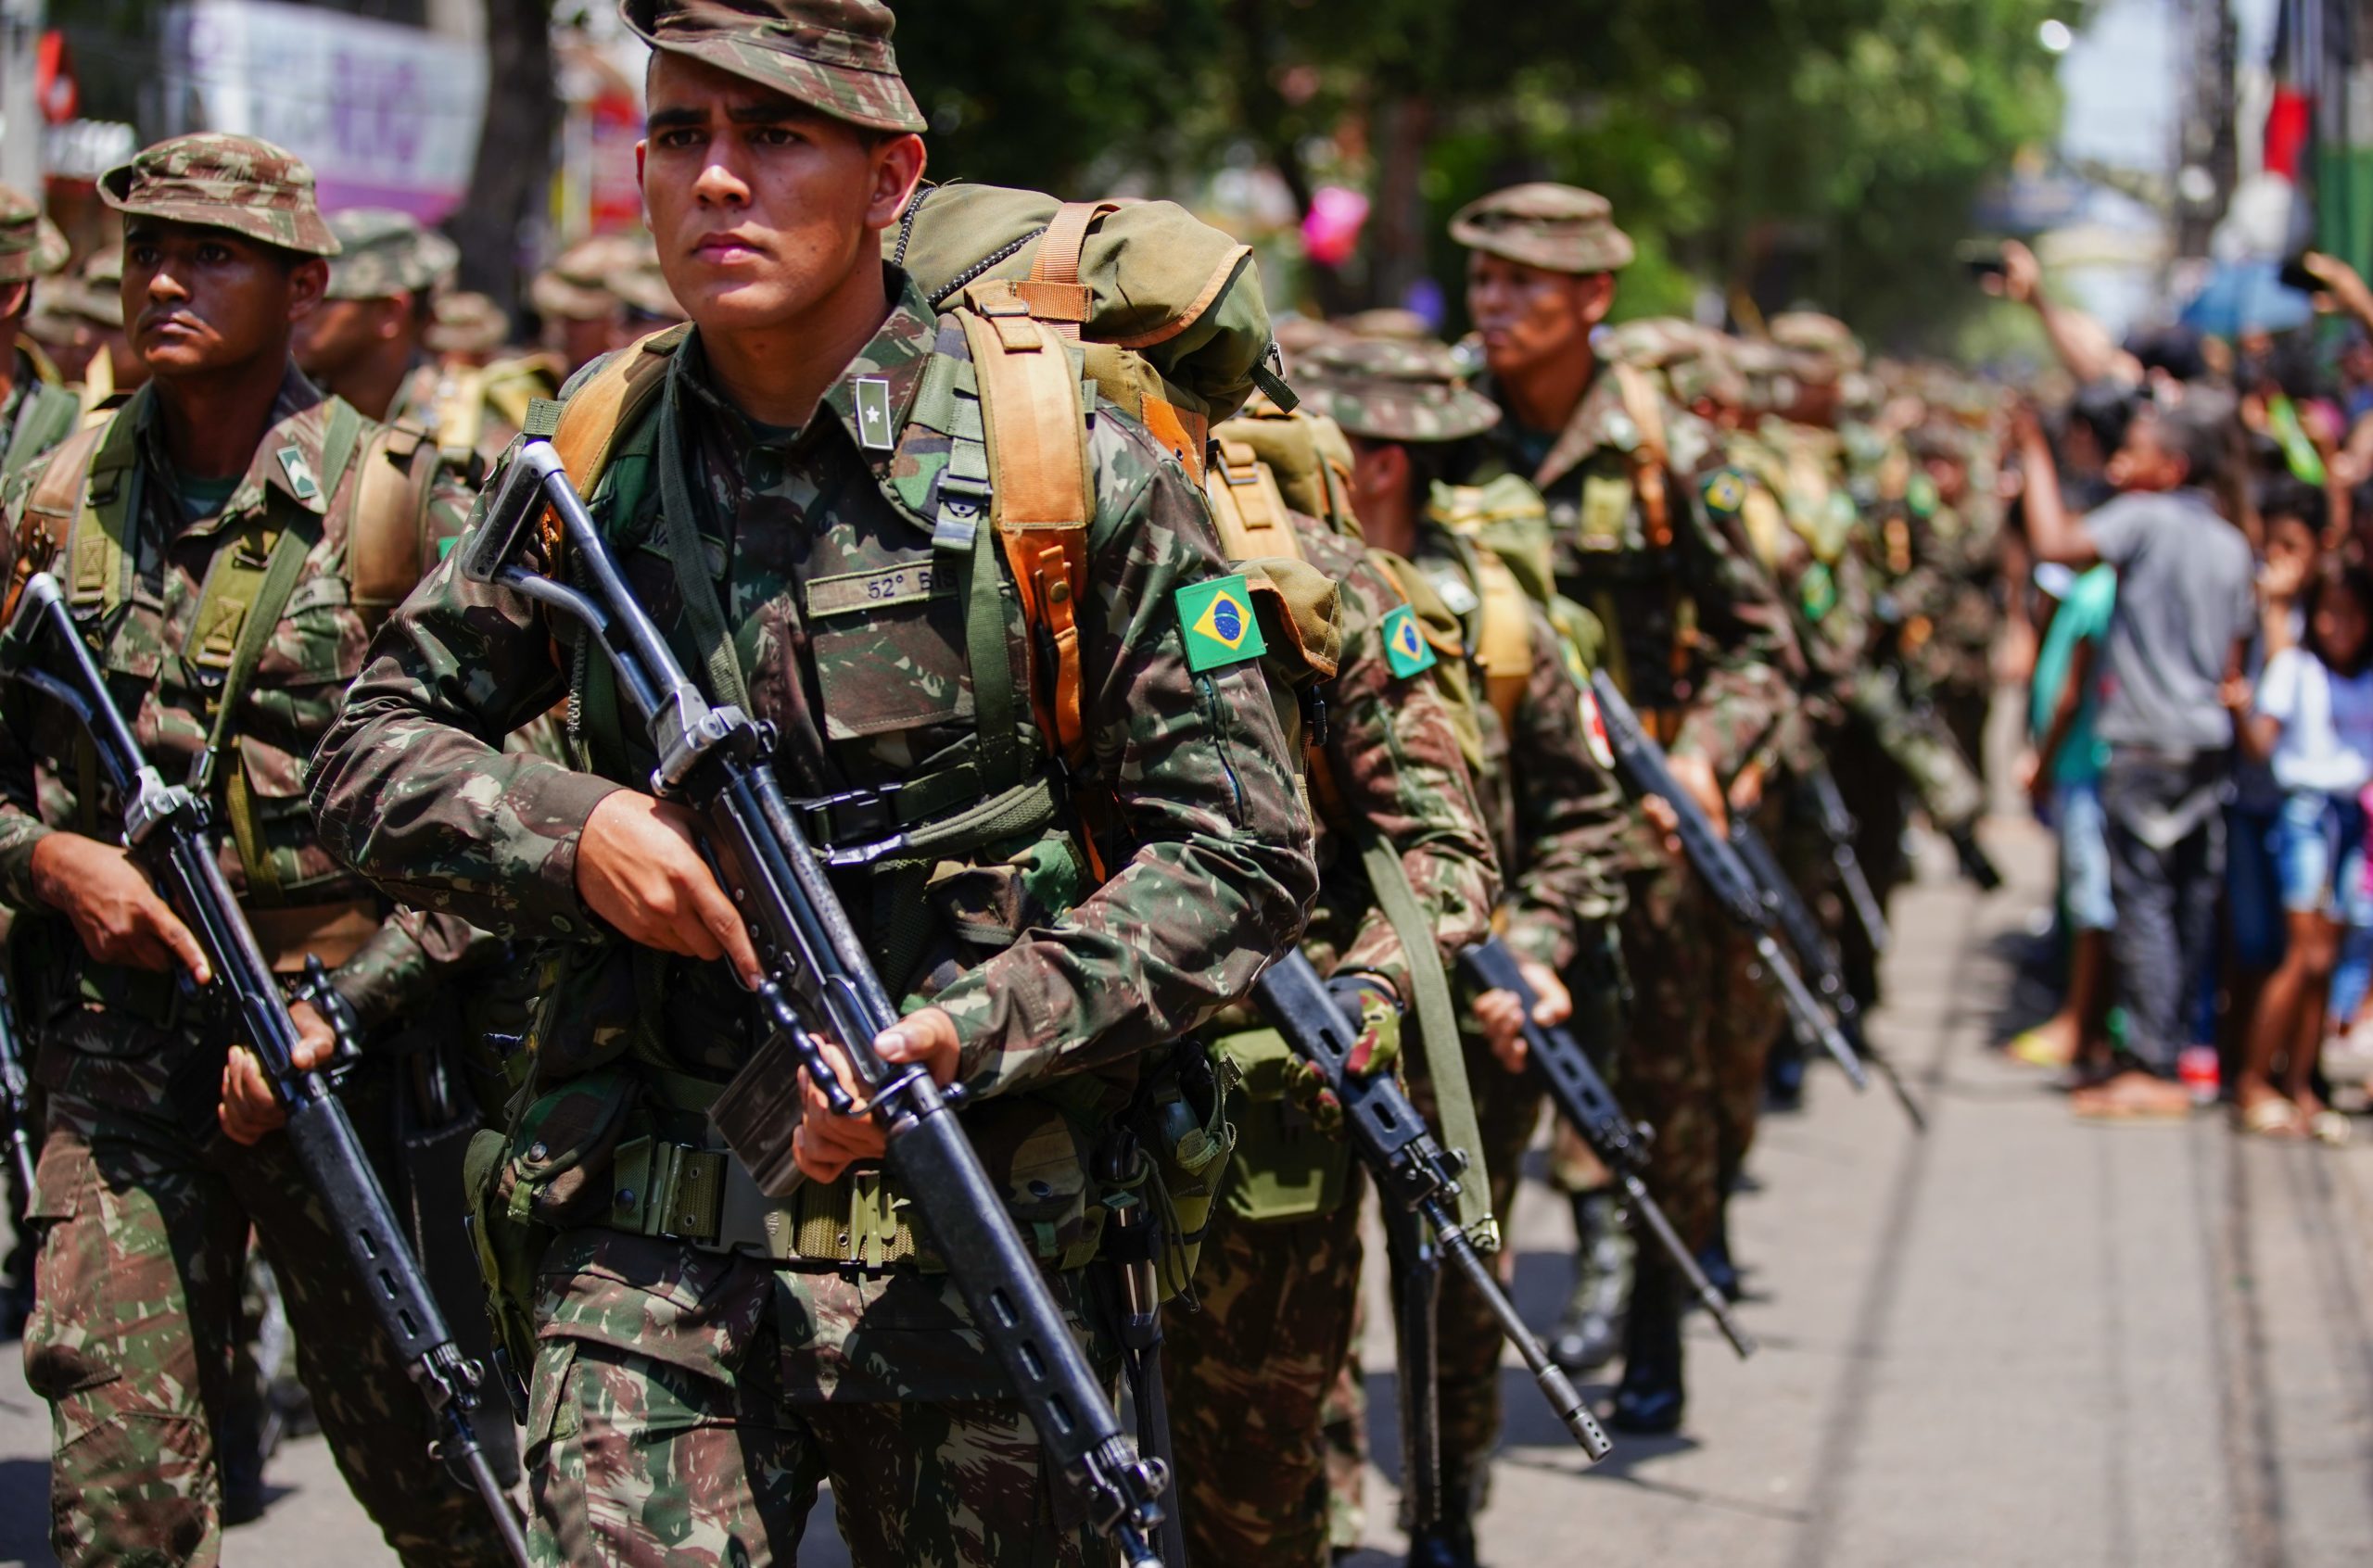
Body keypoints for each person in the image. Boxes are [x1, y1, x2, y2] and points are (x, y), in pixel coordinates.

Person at [307, 3, 1318, 1562]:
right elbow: (368, 748)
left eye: (775, 137)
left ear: (890, 175)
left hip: (973, 1229)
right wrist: (579, 833)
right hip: (652, 1232)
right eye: (680, 135)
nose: (718, 180)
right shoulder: (593, 457)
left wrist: (975, 1027)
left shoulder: (1069, 465)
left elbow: (1245, 848)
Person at [0, 132, 509, 1567]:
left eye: (210, 253)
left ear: (304, 287)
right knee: (117, 1490)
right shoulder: (48, 504)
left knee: (433, 1466)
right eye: (145, 252)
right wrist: (47, 861)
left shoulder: (401, 504)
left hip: (341, 1058)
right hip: (113, 1051)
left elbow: (513, 822)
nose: (163, 280)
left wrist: (347, 1005)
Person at [1449, 182, 1801, 1434]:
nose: (1495, 304)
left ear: (1594, 297)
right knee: (1479, 1103)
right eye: (1482, 279)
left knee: (1658, 1093)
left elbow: (1767, 647)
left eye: (1523, 283)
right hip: (1488, 825)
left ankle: (1655, 1326)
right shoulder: (1441, 424)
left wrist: (1704, 758)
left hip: (1645, 825)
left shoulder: (1668, 451)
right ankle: (1466, 1416)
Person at [1297, 334, 1630, 1564]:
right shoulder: (1266, 586)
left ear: (1378, 462)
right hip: (1312, 1011)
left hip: (1467, 1017)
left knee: (1448, 1300)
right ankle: (1322, 1526)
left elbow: (1584, 812)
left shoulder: (1495, 625)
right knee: (1302, 1310)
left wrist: (1535, 946)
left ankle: (1445, 1521)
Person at [1164, 392, 1501, 1568]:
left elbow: (1443, 847)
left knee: (1253, 1494)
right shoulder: (949, 545)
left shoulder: (1312, 578)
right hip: (987, 1091)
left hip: (1256, 1100)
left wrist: (1365, 991)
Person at [2018, 391, 2257, 1119]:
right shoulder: (2230, 539)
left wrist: (2033, 451)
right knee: (2186, 901)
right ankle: (2176, 1047)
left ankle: (2152, 1065)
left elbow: (2055, 544)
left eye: (2143, 446)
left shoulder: (2147, 518)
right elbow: (2234, 661)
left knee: (2145, 903)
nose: (2127, 457)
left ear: (2174, 465)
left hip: (2145, 743)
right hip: (2205, 743)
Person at [2230, 557, 2373, 1144]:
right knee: (2300, 955)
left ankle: (2303, 1086)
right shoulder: (2294, 667)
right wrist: (2239, 701)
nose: (2340, 627)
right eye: (2329, 614)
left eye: (2353, 616)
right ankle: (2255, 1079)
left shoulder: (2364, 676)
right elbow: (2262, 744)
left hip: (2352, 818)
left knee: (2325, 962)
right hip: (2306, 816)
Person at [2012, 556, 2117, 1081]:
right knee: (2081, 897)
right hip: (2077, 764)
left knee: (2091, 901)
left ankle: (2082, 1023)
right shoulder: (2088, 589)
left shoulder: (2099, 593)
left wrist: (2044, 762)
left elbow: (2073, 694)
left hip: (2083, 762)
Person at [292, 207, 459, 425]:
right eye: (298, 293)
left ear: (390, 313)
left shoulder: (459, 426)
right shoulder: (284, 409)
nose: (296, 311)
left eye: (323, 300)